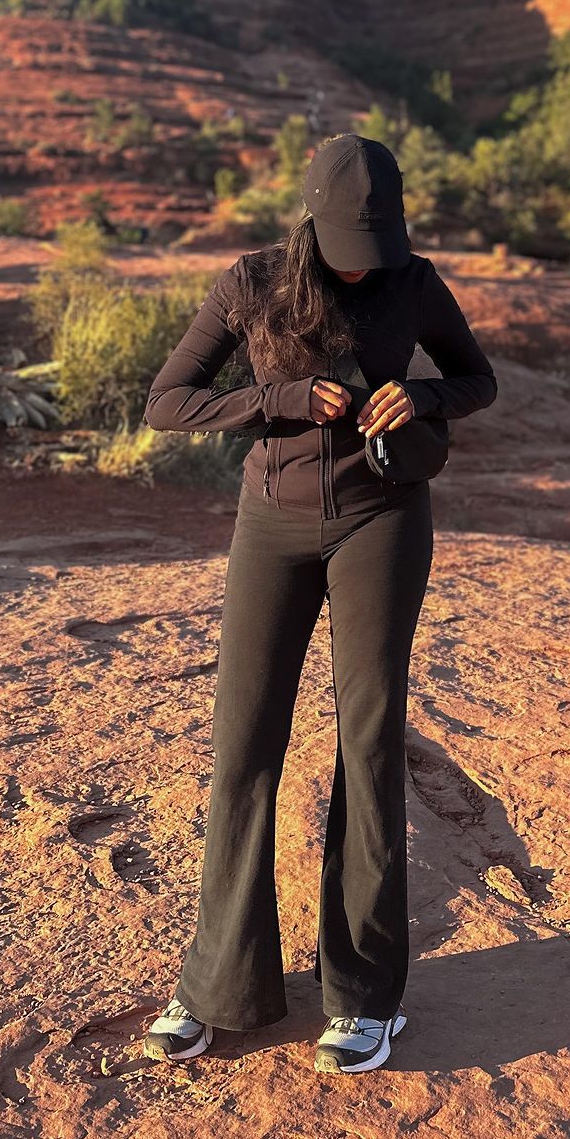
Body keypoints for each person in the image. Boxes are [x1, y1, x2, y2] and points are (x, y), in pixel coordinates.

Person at [139, 132, 498, 1072]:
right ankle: (216, 986)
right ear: (312, 219)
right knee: (244, 745)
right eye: (349, 244)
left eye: (378, 242)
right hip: (272, 525)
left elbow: (477, 380)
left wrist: (420, 397)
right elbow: (167, 402)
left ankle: (366, 999)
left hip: (382, 520)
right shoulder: (252, 282)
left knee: (368, 746)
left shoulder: (414, 282)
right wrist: (284, 399)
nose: (363, 263)